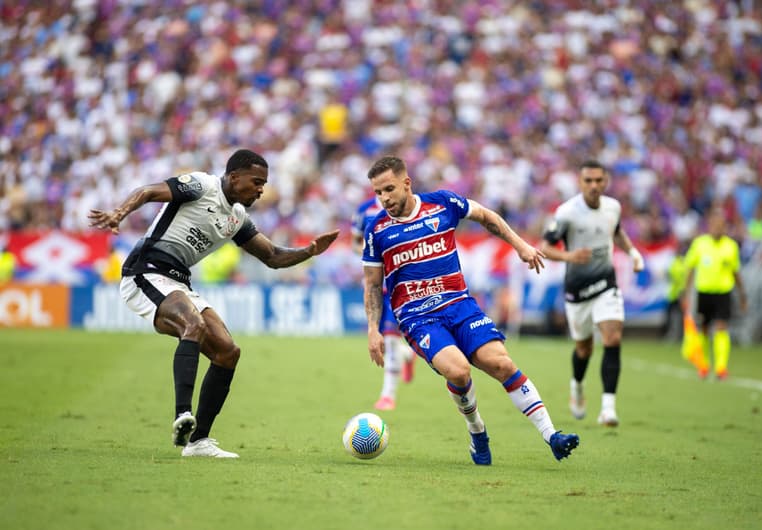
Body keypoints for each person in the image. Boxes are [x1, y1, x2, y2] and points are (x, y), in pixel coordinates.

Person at [88, 149, 339, 458]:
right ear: (234, 177)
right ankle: (183, 416)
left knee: (227, 352)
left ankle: (198, 441)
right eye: (257, 182)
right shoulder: (200, 186)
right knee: (193, 324)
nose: (261, 190)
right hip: (145, 271)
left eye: (264, 184)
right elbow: (149, 191)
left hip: (178, 281)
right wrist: (119, 213)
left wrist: (310, 250)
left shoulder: (237, 218)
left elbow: (273, 257)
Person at [361, 156, 579, 465]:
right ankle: (477, 431)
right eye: (378, 193)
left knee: (500, 362)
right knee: (459, 370)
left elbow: (487, 217)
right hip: (418, 318)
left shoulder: (442, 203)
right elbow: (372, 285)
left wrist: (521, 246)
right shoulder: (377, 230)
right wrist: (374, 330)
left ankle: (552, 435)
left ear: (407, 183)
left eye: (389, 189)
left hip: (460, 304)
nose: (384, 198)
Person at [540, 160, 645, 427]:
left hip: (606, 284)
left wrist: (632, 252)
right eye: (589, 181)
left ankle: (608, 408)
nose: (594, 186)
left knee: (612, 337)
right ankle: (577, 386)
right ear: (580, 182)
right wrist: (569, 255)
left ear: (606, 181)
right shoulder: (567, 213)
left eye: (599, 180)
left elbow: (617, 233)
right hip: (577, 290)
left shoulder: (613, 207)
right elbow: (545, 248)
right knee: (584, 348)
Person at [351, 196, 416, 410]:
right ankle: (408, 354)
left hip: (399, 283)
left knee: (389, 338)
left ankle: (388, 395)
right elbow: (355, 242)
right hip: (375, 284)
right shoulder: (365, 210)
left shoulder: (407, 208)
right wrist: (372, 253)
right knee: (384, 341)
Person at [681, 209, 747, 380]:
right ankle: (703, 365)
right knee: (703, 329)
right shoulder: (700, 244)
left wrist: (742, 295)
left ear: (725, 227)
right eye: (714, 225)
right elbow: (690, 269)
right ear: (709, 226)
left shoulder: (730, 246)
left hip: (723, 293)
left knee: (721, 327)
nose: (717, 228)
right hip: (704, 292)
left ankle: (721, 367)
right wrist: (686, 293)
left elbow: (736, 272)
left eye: (720, 225)